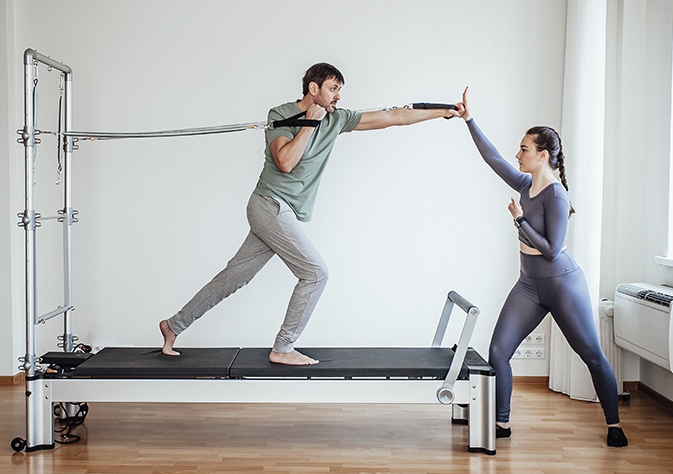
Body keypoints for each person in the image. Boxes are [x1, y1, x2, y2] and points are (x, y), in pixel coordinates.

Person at [160, 62, 460, 365]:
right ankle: (283, 347)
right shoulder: (280, 115)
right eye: (333, 88)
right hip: (270, 205)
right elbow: (286, 162)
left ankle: (173, 325)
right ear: (313, 89)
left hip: (281, 212)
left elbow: (395, 116)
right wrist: (309, 123)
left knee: (233, 278)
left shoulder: (337, 119)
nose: (338, 96)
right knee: (315, 274)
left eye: (340, 90)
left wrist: (445, 111)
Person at [455, 88, 627, 447]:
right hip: (529, 285)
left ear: (542, 155)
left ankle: (614, 424)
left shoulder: (556, 195)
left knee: (592, 355)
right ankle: (501, 423)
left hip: (561, 284)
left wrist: (519, 221)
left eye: (524, 149)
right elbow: (493, 159)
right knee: (499, 352)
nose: (517, 154)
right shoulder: (526, 183)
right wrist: (469, 120)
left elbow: (550, 250)